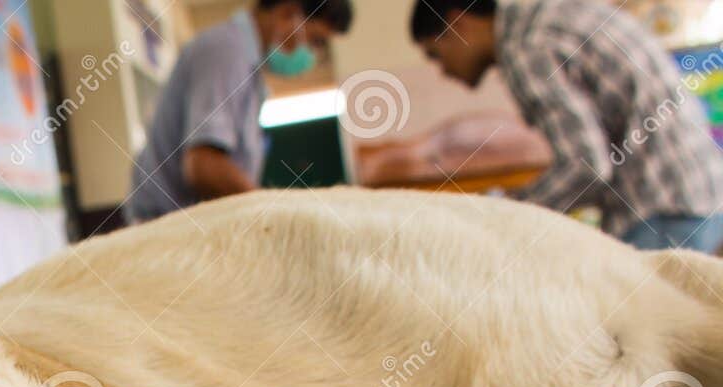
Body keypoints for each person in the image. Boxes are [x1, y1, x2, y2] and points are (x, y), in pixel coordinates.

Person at [411, 0, 723, 251]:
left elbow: (586, 167)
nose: (444, 71)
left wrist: (503, 212)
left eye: (436, 55)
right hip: (696, 191)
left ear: (458, 22)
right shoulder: (550, 16)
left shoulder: (526, 46)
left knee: (618, 327)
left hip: (661, 207)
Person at [125, 0, 355, 223]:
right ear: (288, 12)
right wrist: (275, 215)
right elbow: (203, 166)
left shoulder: (250, 71)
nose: (313, 55)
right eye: (315, 41)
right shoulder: (226, 51)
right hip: (167, 233)